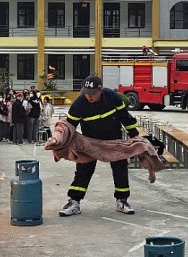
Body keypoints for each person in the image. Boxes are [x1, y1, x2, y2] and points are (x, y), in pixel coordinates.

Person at [59, 75, 140, 217]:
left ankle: (122, 201)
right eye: (86, 93)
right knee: (83, 170)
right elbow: (69, 127)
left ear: (100, 90)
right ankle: (74, 202)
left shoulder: (112, 97)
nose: (89, 97)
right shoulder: (79, 104)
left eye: (92, 94)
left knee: (120, 167)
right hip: (90, 142)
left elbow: (125, 118)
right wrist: (60, 140)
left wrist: (137, 138)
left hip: (113, 140)